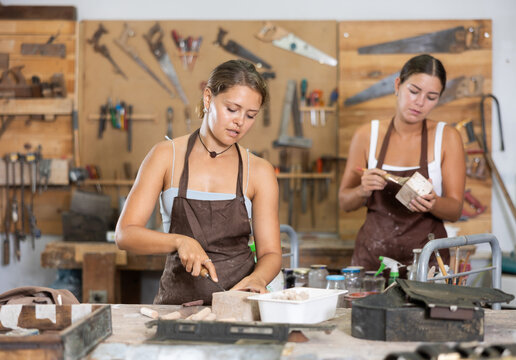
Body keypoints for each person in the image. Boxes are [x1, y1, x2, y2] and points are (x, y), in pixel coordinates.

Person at [115, 59, 282, 305]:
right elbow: (125, 234)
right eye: (232, 109)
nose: (240, 122)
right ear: (207, 98)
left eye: (250, 115)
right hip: (176, 307)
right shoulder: (165, 156)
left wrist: (258, 278)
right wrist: (180, 241)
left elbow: (270, 253)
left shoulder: (259, 171)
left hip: (239, 306)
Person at [338, 54, 466, 272]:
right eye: (414, 91)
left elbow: (455, 210)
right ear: (398, 85)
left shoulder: (447, 137)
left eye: (431, 97)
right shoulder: (367, 135)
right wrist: (363, 189)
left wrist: (433, 203)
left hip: (426, 264)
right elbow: (344, 201)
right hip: (373, 260)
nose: (420, 102)